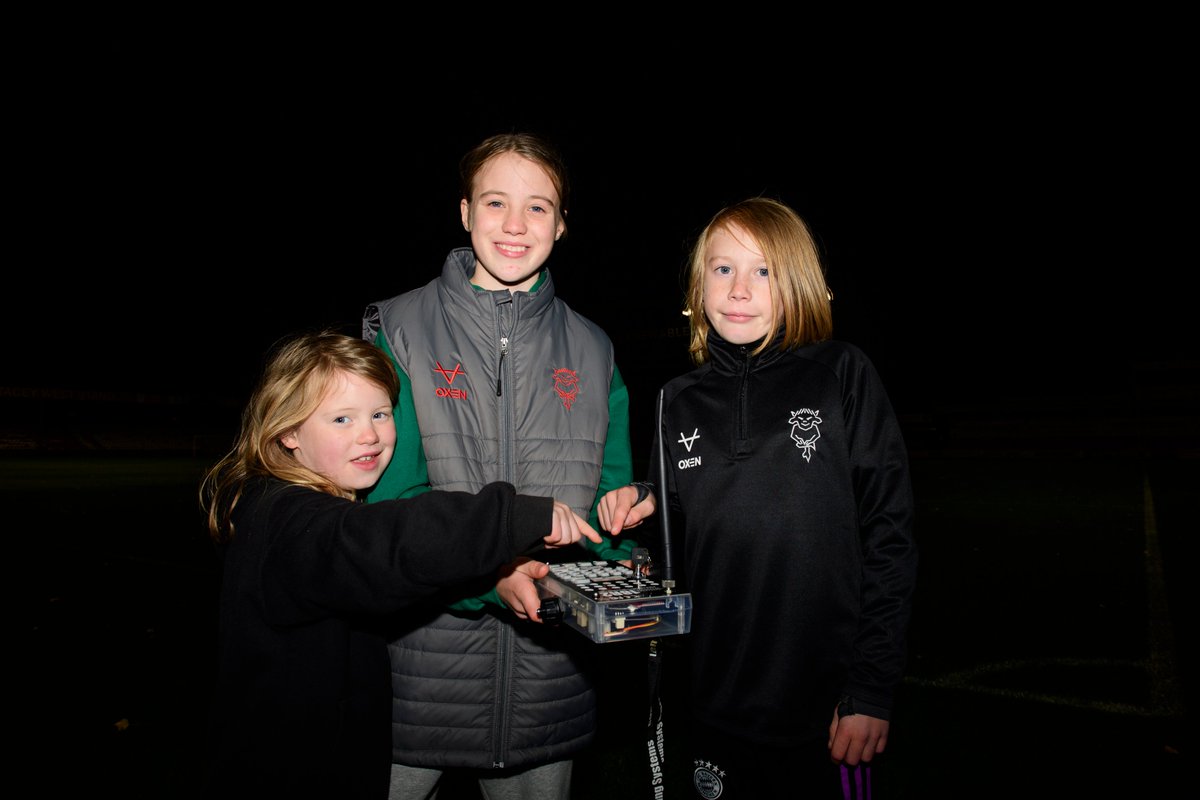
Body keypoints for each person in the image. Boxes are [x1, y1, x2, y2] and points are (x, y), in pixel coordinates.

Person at [598, 197, 919, 798]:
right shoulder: (676, 399)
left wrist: (870, 689)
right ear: (699, 283)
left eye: (763, 270)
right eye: (723, 269)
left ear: (795, 280)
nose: (739, 289)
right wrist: (642, 502)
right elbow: (680, 532)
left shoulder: (842, 374)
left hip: (826, 710)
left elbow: (890, 536)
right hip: (710, 704)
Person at [199, 329, 604, 800]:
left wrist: (499, 575)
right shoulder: (288, 519)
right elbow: (387, 543)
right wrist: (512, 516)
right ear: (288, 431)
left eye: (379, 414)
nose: (368, 433)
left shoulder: (307, 505)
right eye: (341, 419)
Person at [362, 131, 639, 799]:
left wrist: (624, 533)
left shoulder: (595, 348)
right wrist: (493, 578)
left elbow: (610, 507)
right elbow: (388, 511)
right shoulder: (395, 329)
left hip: (549, 686)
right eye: (495, 202)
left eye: (538, 207)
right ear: (464, 212)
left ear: (563, 224)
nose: (515, 226)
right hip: (416, 678)